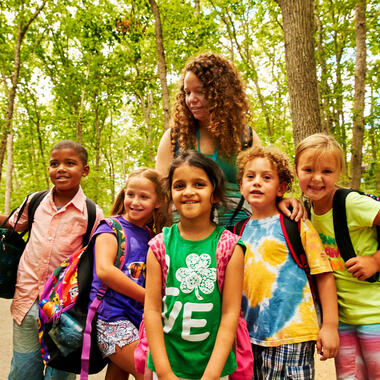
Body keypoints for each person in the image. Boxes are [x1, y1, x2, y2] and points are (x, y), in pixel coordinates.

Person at [155, 52, 305, 225]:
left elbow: (263, 181)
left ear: (221, 93)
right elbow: (160, 195)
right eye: (187, 92)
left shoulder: (246, 138)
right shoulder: (174, 138)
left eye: (200, 92)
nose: (191, 100)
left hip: (237, 234)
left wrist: (279, 202)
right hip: (185, 236)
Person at [0, 140, 104, 380]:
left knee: (60, 374)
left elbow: (96, 257)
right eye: (54, 163)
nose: (61, 169)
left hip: (64, 310)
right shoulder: (35, 201)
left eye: (70, 163)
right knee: (23, 370)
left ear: (84, 170)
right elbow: (12, 225)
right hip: (27, 300)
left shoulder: (91, 212)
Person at [237, 145, 339, 379]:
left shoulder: (296, 224)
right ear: (241, 185)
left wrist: (330, 326)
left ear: (281, 187)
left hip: (293, 335)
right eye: (250, 177)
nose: (256, 182)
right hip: (249, 337)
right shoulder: (235, 232)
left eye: (266, 177)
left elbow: (324, 275)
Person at [144, 150, 245, 379]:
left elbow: (230, 314)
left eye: (199, 184)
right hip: (167, 366)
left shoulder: (229, 248)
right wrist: (164, 372)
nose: (188, 192)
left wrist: (211, 375)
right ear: (170, 194)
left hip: (214, 368)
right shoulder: (159, 247)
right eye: (179, 186)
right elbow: (151, 310)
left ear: (215, 194)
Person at [295, 133, 380, 379]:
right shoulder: (309, 210)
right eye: (308, 169)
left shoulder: (352, 204)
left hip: (375, 315)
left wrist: (375, 261)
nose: (317, 178)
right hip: (342, 319)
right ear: (296, 169)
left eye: (327, 171)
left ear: (339, 172)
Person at [90, 168, 169, 380]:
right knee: (149, 372)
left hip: (139, 320)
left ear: (158, 201)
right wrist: (149, 298)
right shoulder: (110, 228)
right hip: (110, 319)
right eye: (131, 194)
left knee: (118, 374)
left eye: (144, 197)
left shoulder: (152, 236)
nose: (135, 201)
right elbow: (105, 271)